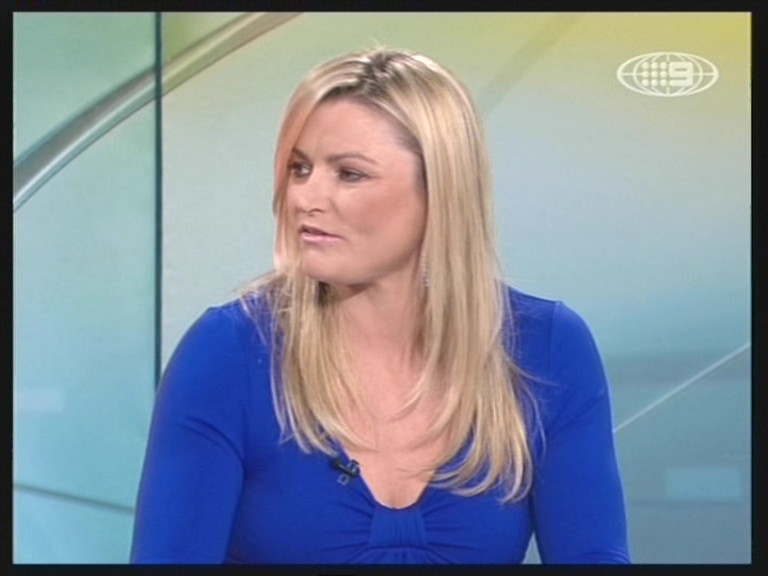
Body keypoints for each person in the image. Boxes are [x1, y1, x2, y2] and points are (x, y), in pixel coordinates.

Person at [130, 47, 631, 564]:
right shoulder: (231, 354)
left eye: (349, 174)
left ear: (440, 190)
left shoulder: (545, 349)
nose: (305, 198)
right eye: (300, 169)